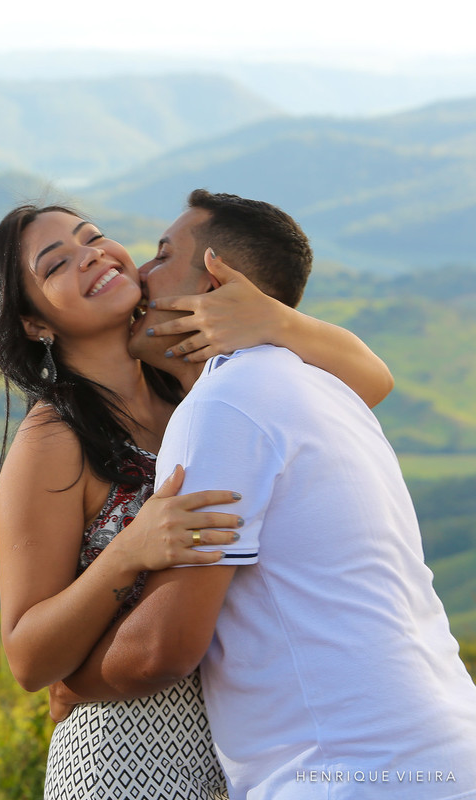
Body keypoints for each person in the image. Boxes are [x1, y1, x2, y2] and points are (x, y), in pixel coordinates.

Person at [51, 190, 476, 798]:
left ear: (218, 282)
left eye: (164, 254)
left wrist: (74, 682)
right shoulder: (327, 389)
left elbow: (162, 651)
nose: (141, 273)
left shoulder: (223, 406)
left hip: (348, 773)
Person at [0, 201, 393, 799]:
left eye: (92, 236)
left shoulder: (192, 393)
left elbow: (370, 383)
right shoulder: (55, 437)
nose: (91, 253)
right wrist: (128, 553)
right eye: (57, 263)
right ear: (35, 322)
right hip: (126, 755)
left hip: (242, 745)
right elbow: (27, 657)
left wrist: (274, 317)